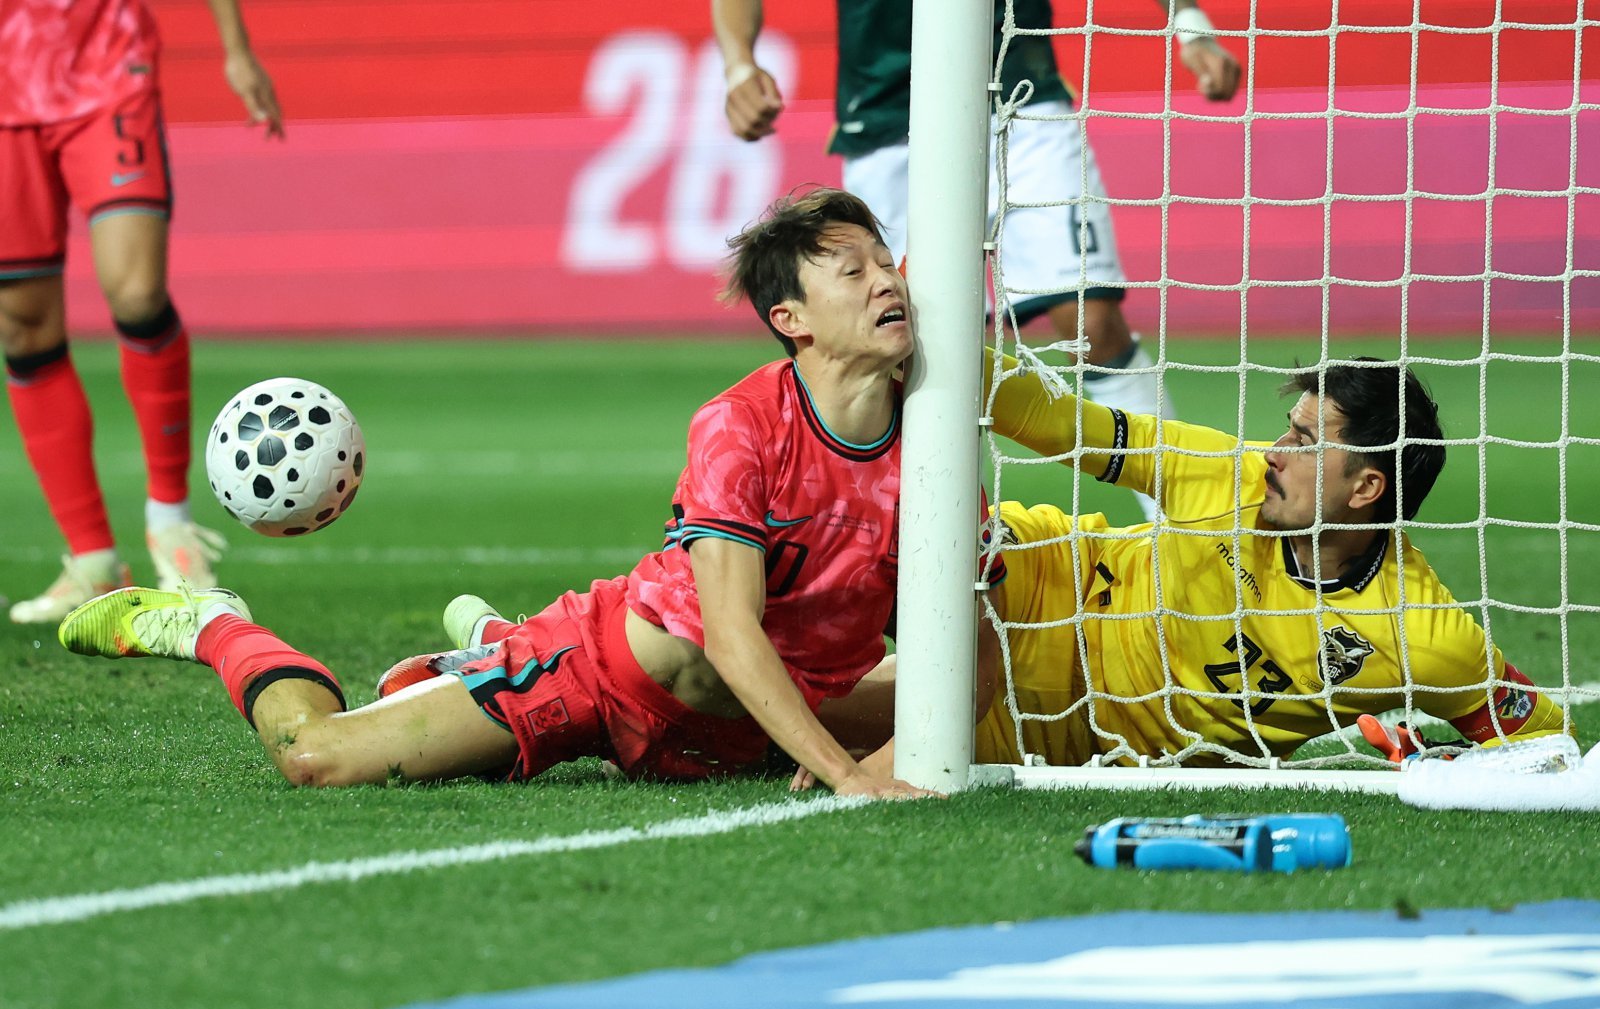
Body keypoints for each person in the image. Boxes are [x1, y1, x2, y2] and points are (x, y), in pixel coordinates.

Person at [58, 188, 983, 798]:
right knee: (319, 758)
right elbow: (733, 632)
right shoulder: (741, 424)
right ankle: (215, 623)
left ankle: (485, 650)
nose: (884, 281)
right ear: (790, 321)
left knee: (972, 709)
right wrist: (846, 774)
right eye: (849, 271)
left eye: (883, 261)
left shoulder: (938, 448)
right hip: (609, 674)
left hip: (754, 726)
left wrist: (892, 758)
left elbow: (974, 643)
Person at [818, 354, 1569, 770]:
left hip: (1071, 727)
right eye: (1288, 428)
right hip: (1050, 580)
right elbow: (1064, 423)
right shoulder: (1230, 473)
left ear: (1367, 487)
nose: (1276, 451)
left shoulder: (1423, 636)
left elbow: (1546, 742)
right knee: (860, 539)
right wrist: (940, 347)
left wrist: (1455, 766)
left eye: (1307, 443)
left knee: (791, 723)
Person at [712, 0, 1241, 519]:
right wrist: (738, 63)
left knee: (1091, 323)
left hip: (1020, 89)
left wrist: (1188, 22)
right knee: (901, 340)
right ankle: (908, 541)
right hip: (888, 112)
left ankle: (1189, 526)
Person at [1, 0, 285, 624]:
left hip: (107, 65)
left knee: (136, 294)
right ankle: (92, 559)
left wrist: (235, 49)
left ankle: (171, 524)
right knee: (22, 324)